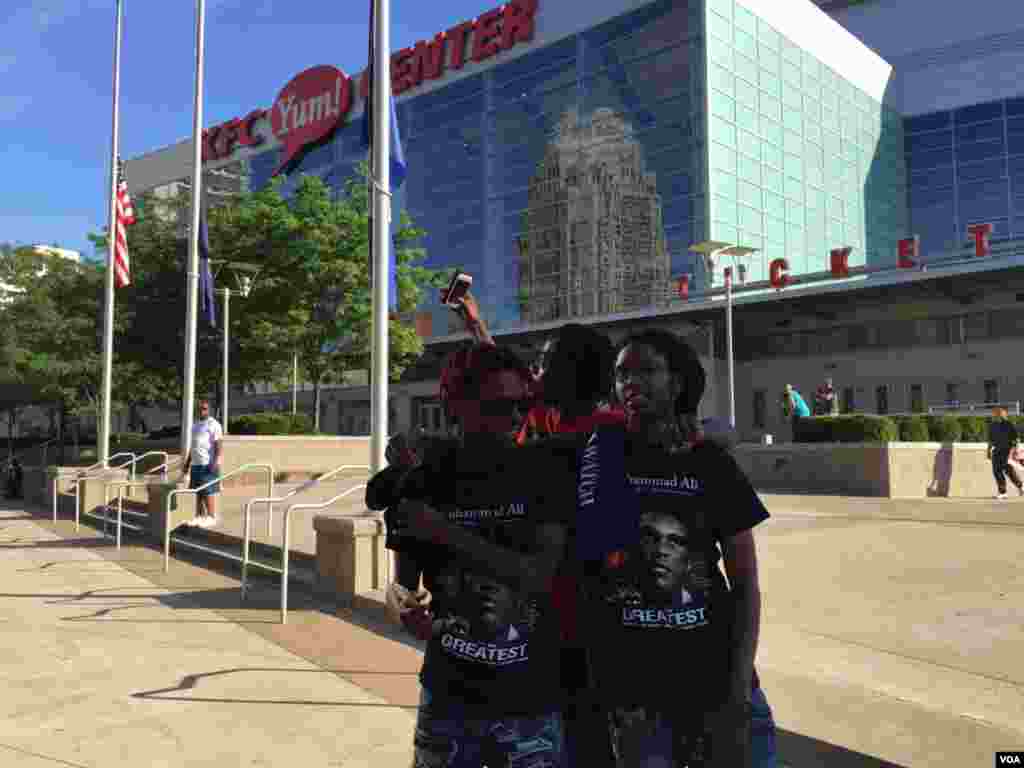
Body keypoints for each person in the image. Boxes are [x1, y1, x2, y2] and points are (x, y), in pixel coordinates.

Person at [378, 344, 579, 767]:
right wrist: (405, 608)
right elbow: (403, 587)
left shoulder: (544, 469)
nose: (514, 416)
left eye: (522, 404)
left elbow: (540, 576)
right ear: (457, 406)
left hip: (532, 695)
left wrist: (443, 531)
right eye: (497, 405)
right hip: (449, 692)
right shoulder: (426, 478)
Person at [578, 328, 770, 767]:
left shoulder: (710, 462)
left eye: (646, 370)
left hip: (712, 677)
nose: (631, 383)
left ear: (678, 381)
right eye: (622, 373)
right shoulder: (601, 449)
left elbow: (745, 584)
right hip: (632, 691)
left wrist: (739, 688)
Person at [180, 399, 223, 527]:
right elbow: (193, 447)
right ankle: (199, 516)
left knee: (207, 490)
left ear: (209, 410)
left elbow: (219, 444)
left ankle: (211, 516)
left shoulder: (214, 424)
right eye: (200, 408)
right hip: (196, 464)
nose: (202, 410)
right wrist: (187, 464)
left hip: (207, 463)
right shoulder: (195, 425)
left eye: (204, 408)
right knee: (198, 491)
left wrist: (217, 460)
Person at [987, 407, 1023, 499]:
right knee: (997, 471)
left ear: (1005, 414)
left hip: (1008, 450)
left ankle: (1019, 486)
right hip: (997, 450)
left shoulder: (1009, 424)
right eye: (996, 412)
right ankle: (1004, 492)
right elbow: (991, 440)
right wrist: (988, 450)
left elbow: (1016, 438)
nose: (998, 414)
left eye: (1000, 412)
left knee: (1006, 469)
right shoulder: (992, 425)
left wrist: (1016, 450)